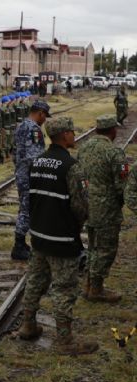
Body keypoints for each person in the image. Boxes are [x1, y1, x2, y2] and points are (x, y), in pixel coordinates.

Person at [17, 117, 97, 355]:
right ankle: (65, 340)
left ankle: (28, 324)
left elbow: (29, 197)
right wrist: (77, 225)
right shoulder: (71, 167)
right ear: (64, 135)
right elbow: (82, 206)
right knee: (64, 288)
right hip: (62, 239)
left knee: (35, 281)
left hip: (39, 234)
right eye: (72, 132)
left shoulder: (37, 162)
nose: (74, 135)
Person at [77, 115, 127, 303]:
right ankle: (96, 289)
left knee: (93, 247)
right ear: (113, 130)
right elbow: (122, 186)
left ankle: (89, 285)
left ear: (97, 130)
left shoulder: (83, 149)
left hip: (88, 206)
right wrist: (120, 203)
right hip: (107, 210)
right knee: (106, 249)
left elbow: (79, 177)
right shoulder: (114, 153)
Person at [11, 100, 50, 260]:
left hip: (21, 171)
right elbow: (34, 157)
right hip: (29, 174)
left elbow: (15, 152)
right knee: (27, 209)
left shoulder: (21, 126)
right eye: (45, 116)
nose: (45, 119)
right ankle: (18, 245)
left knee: (25, 207)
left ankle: (21, 243)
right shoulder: (34, 129)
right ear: (40, 113)